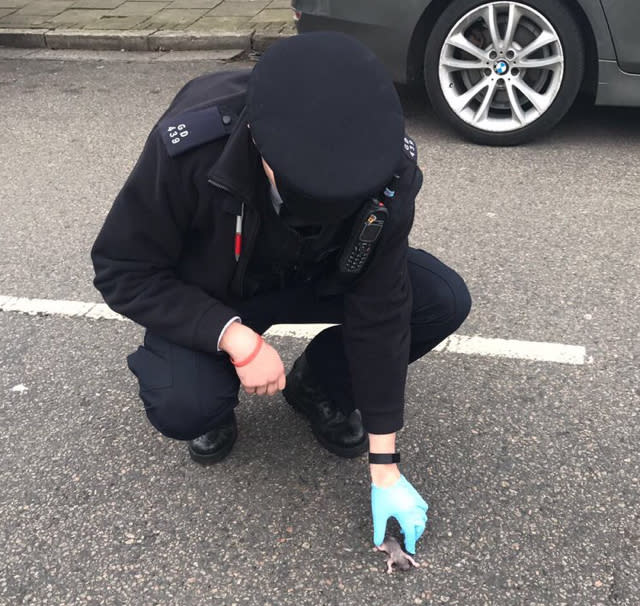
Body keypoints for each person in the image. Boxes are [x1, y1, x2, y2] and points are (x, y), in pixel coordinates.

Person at [91, 32, 471, 554]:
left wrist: (386, 470)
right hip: (217, 287)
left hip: (321, 274)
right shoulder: (190, 149)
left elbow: (381, 308)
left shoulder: (388, 164)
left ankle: (317, 385)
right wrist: (233, 338)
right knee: (186, 403)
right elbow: (123, 268)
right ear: (258, 147)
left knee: (442, 300)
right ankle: (217, 393)